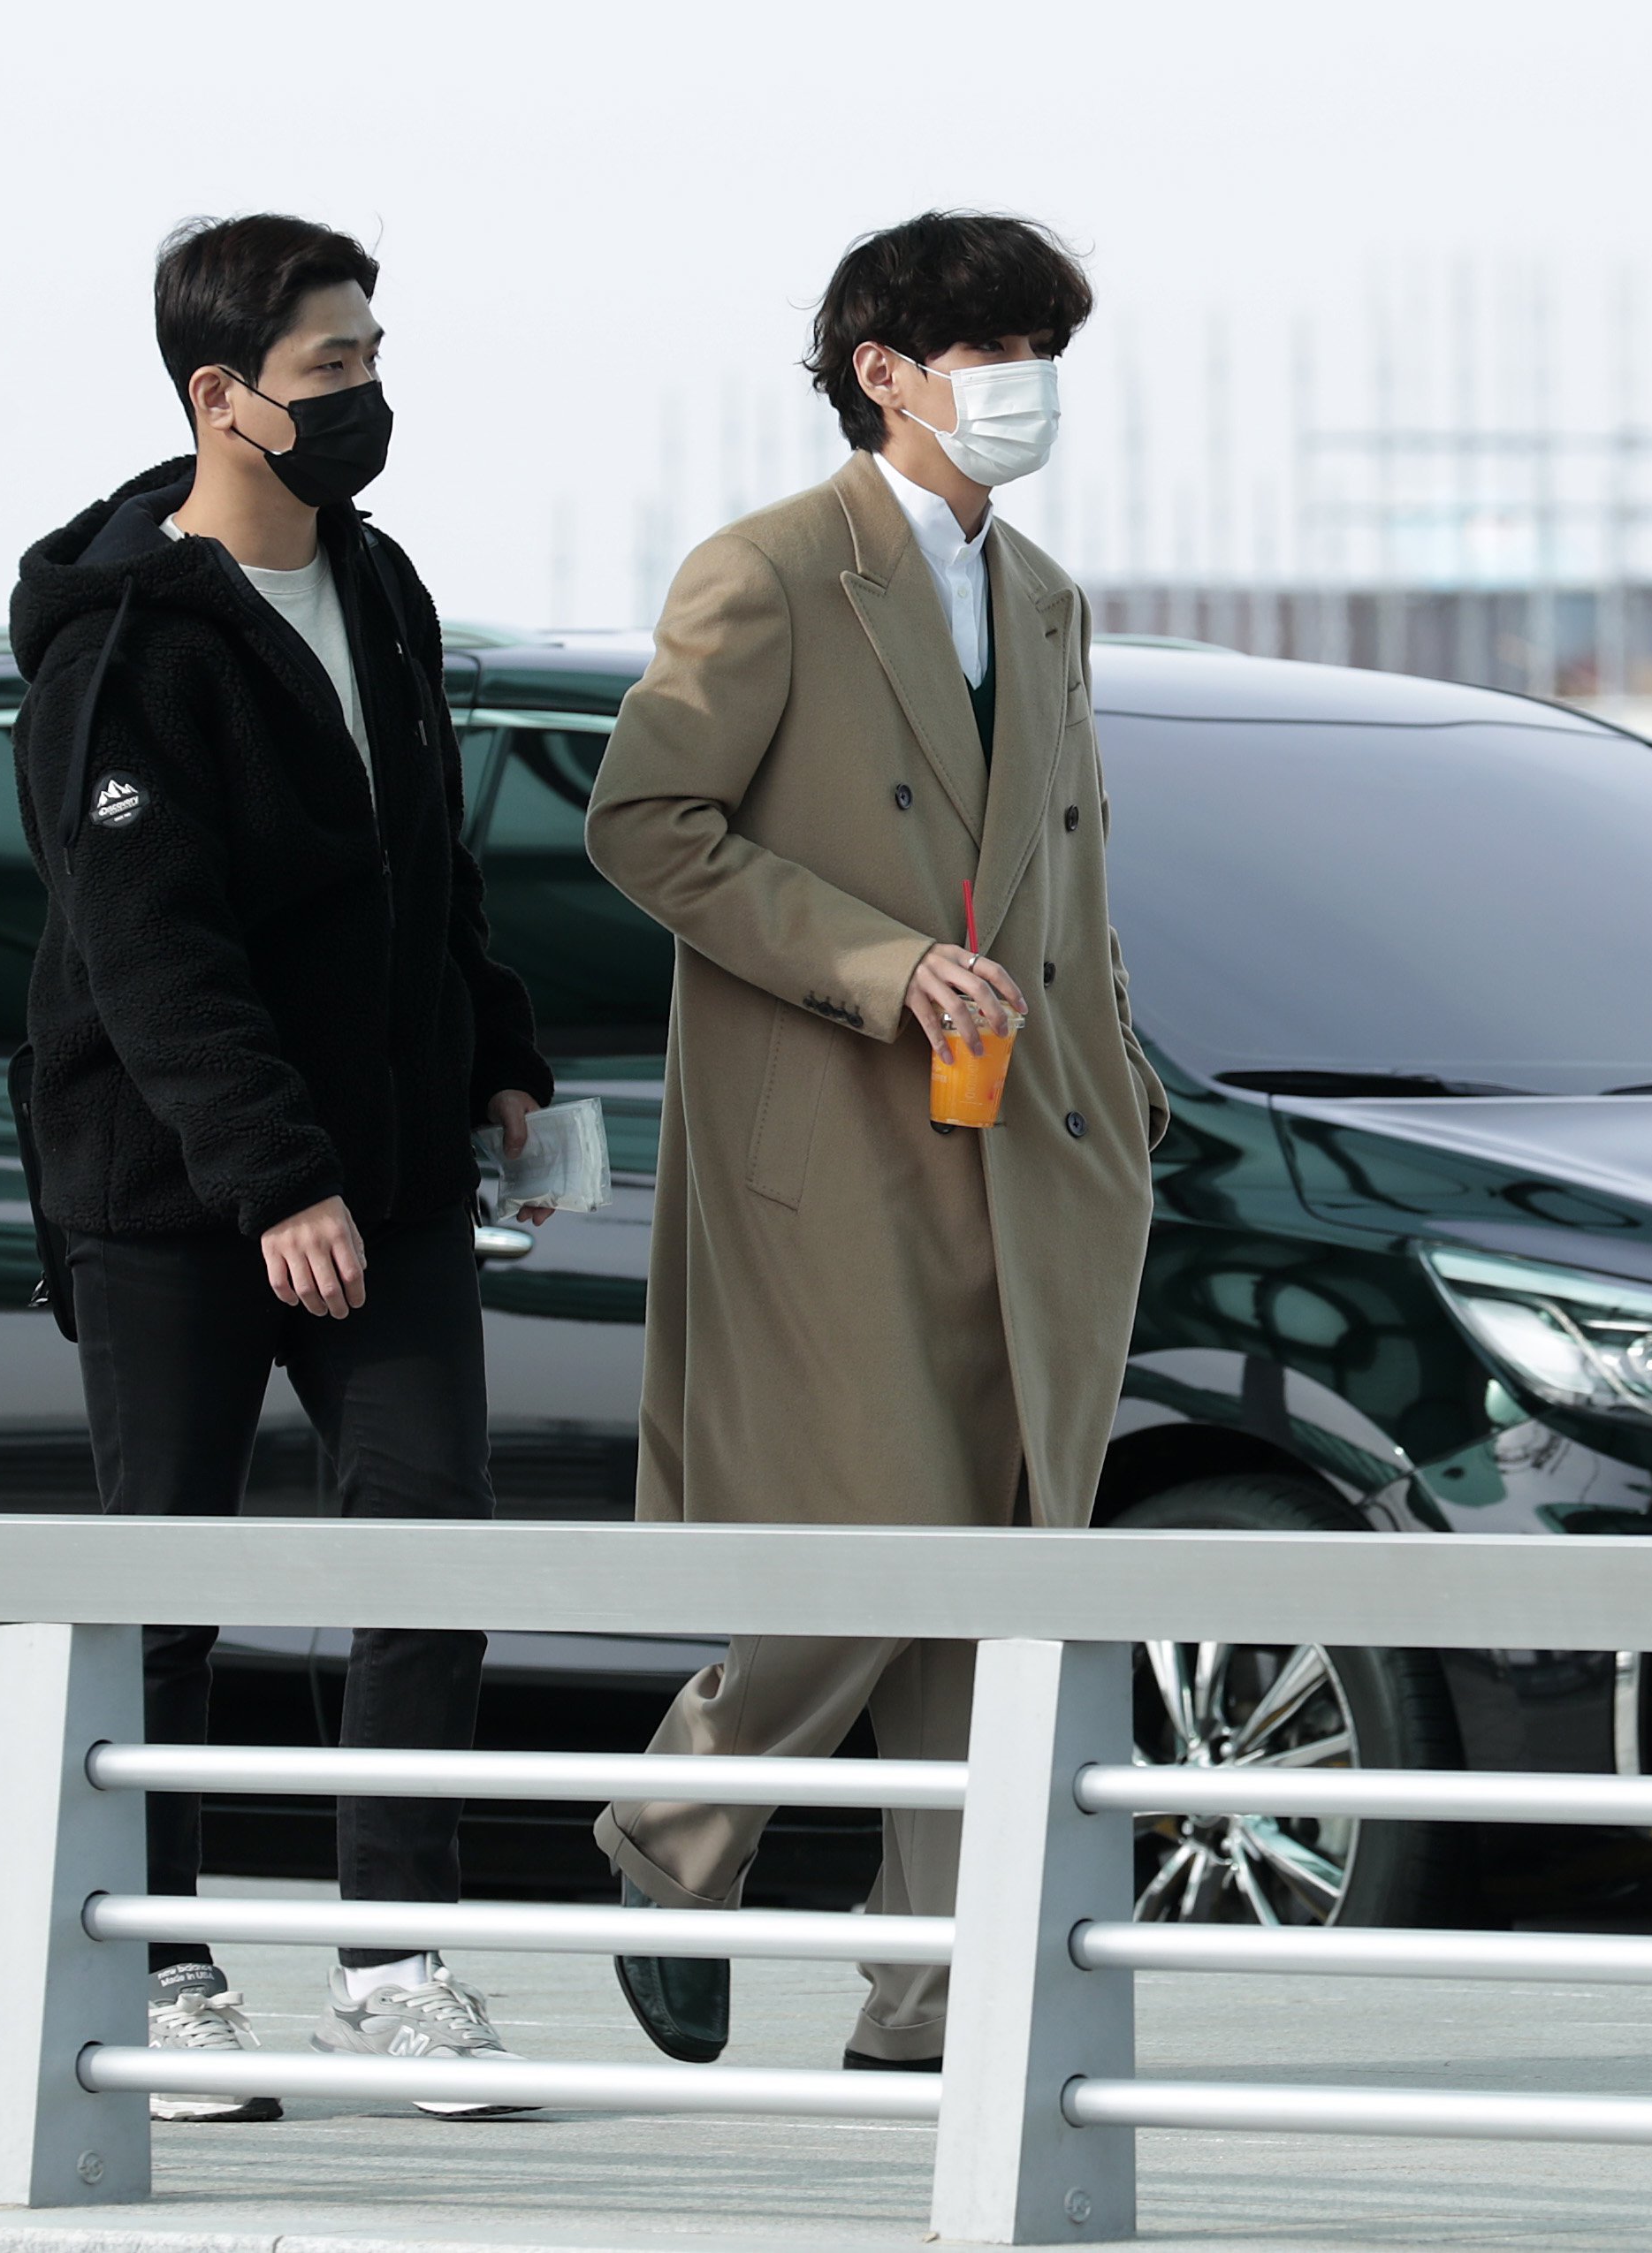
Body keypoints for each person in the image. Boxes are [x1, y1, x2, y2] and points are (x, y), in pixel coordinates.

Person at [582, 211, 1167, 2072]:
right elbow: (644, 821)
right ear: (882, 375)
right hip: (832, 1142)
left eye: (1042, 349)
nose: (1028, 389)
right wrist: (878, 959)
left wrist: (1118, 1094)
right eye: (991, 351)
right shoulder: (765, 573)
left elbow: (1068, 875)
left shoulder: (1046, 595)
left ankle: (933, 1995)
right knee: (886, 1531)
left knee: (1000, 1567)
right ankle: (672, 1843)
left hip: (1034, 1143)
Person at [6, 213, 552, 2120]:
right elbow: (152, 945)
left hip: (387, 1171)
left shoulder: (379, 587)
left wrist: (495, 1060)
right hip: (171, 1189)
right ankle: (157, 1977)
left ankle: (396, 1967)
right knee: (169, 1582)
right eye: (330, 370)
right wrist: (272, 1178)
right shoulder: (122, 642)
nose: (366, 393)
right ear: (217, 397)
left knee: (419, 1543)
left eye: (371, 355)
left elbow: (426, 868)